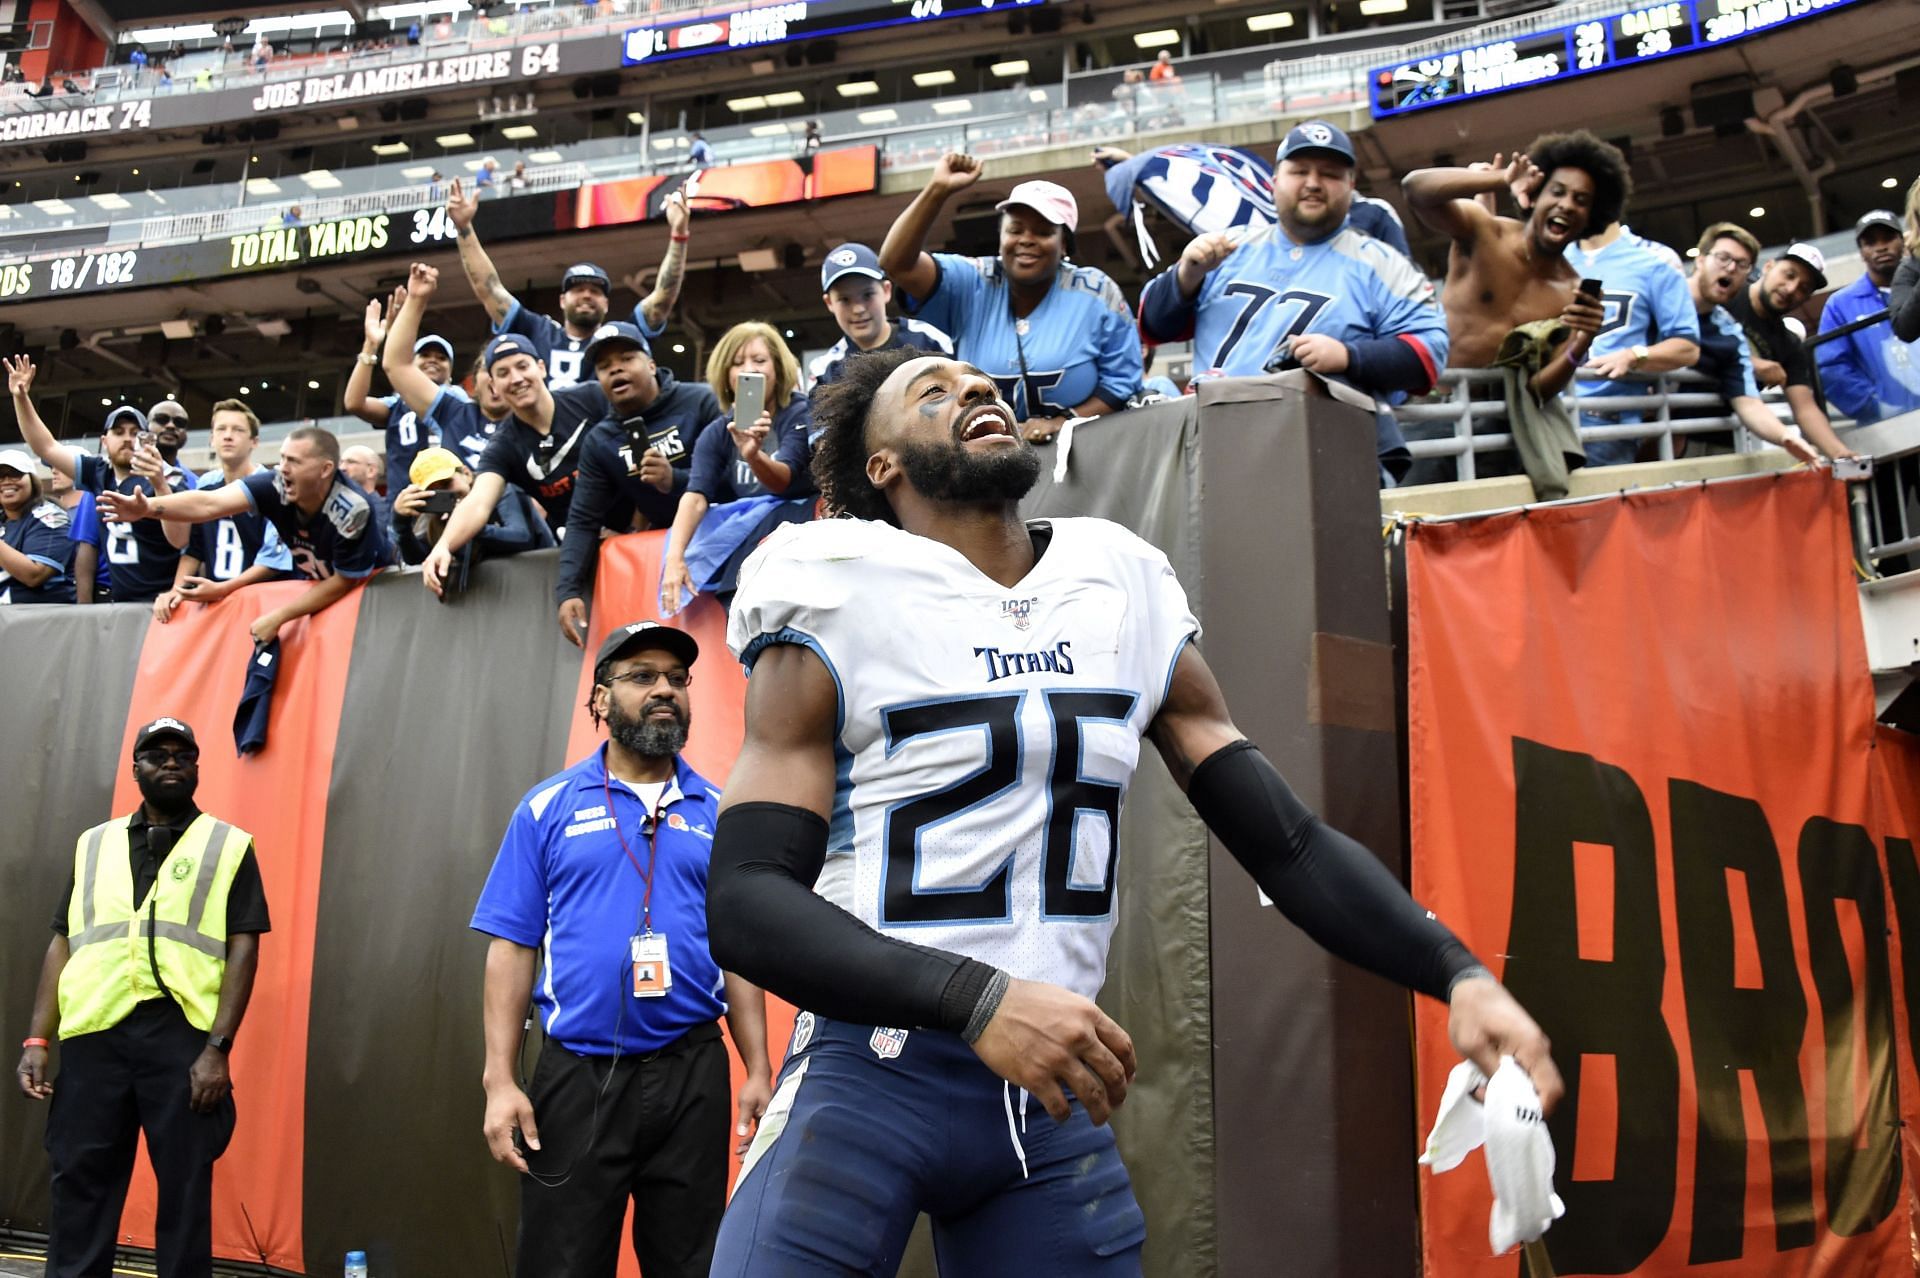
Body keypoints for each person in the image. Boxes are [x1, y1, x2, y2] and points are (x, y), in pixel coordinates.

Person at [700, 348, 1560, 1274]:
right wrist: (978, 996)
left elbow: (1289, 846)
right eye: (933, 393)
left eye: (980, 381)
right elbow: (746, 900)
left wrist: (1457, 974)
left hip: (1048, 1097)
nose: (977, 391)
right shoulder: (835, 582)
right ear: (883, 467)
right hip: (872, 1072)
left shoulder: (1115, 582)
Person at [471, 621, 772, 1278]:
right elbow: (511, 948)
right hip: (578, 1077)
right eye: (642, 677)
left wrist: (757, 1067)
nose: (664, 690)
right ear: (600, 699)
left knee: (690, 1263)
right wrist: (500, 1080)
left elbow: (739, 950)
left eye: (676, 678)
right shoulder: (546, 807)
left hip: (692, 1074)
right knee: (562, 1264)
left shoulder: (719, 811)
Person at [17, 717, 269, 1278]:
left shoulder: (228, 845)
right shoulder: (93, 844)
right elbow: (63, 940)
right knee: (80, 1181)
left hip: (180, 1039)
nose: (171, 762)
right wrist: (39, 1036)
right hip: (94, 1036)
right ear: (136, 770)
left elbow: (244, 949)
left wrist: (218, 1048)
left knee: (184, 1187)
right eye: (157, 755)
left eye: (183, 754)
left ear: (198, 768)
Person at [1137, 121, 1447, 482]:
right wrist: (1185, 276)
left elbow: (1428, 353)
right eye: (1299, 171)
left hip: (1320, 455)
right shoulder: (1229, 246)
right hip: (1210, 444)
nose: (1313, 183)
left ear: (1351, 185)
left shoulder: (1383, 263)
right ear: (1275, 182)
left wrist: (1350, 356)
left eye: (1330, 174)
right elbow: (1152, 327)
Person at [879, 155, 1141, 443]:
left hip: (1082, 453)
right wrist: (937, 190)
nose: (1026, 239)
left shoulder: (1096, 291)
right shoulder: (973, 279)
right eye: (1015, 230)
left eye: (1043, 232)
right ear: (1001, 237)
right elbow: (896, 263)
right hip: (988, 456)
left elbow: (1121, 382)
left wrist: (1065, 421)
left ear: (1064, 242)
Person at [390, 265, 608, 594]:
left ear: (541, 368)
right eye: (502, 372)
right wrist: (444, 545)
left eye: (522, 366)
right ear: (488, 382)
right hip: (578, 548)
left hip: (627, 533)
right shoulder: (495, 439)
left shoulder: (589, 397)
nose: (516, 378)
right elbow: (478, 502)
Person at [100, 426, 394, 643]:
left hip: (372, 600)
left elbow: (343, 581)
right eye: (282, 458)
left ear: (325, 469)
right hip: (314, 587)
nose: (283, 468)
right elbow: (209, 503)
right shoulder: (276, 484)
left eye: (294, 461)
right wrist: (148, 507)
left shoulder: (353, 510)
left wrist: (279, 616)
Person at [556, 321, 721, 645]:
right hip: (664, 560)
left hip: (724, 536)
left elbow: (736, 478)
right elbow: (583, 520)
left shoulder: (700, 401)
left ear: (651, 364)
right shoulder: (601, 440)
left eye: (626, 359)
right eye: (604, 367)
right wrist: (567, 590)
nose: (616, 370)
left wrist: (675, 480)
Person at [448, 180, 691, 388]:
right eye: (578, 290)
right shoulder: (536, 331)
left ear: (606, 304)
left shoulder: (619, 338)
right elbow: (489, 289)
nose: (586, 295)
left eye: (595, 291)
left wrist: (679, 234)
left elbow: (663, 298)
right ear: (562, 300)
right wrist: (463, 228)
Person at [659, 323, 814, 613]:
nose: (749, 369)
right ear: (725, 375)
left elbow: (784, 480)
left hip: (800, 532)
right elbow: (695, 495)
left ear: (778, 368)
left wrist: (753, 455)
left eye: (759, 360)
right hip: (755, 542)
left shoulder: (800, 412)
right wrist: (674, 558)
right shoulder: (717, 432)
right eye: (737, 362)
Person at [10, 360, 190, 604]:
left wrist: (158, 483)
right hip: (119, 602)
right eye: (119, 432)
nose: (127, 439)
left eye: (135, 432)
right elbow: (46, 446)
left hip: (163, 603)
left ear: (148, 440)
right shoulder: (99, 472)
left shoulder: (169, 477)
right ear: (105, 441)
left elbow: (180, 539)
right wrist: (21, 398)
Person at [1677, 223, 1820, 463]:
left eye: (1741, 264)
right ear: (1700, 260)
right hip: (1632, 425)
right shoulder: (1661, 293)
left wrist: (1785, 436)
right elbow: (1678, 349)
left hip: (1718, 439)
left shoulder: (1727, 331)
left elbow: (1749, 402)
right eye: (1723, 258)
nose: (1731, 268)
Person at [1563, 219, 1701, 466]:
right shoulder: (1553, 256)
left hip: (1607, 422)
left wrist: (1634, 355)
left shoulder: (1656, 258)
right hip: (1543, 416)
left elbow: (1687, 347)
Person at [153, 399, 294, 624]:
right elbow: (193, 548)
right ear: (211, 438)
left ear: (254, 442)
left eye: (238, 430)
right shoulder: (206, 484)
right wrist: (176, 590)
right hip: (218, 604)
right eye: (221, 429)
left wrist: (223, 588)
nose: (228, 436)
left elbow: (272, 562)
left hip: (262, 605)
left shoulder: (273, 487)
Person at [1726, 243, 1855, 460]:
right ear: (1768, 266)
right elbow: (1691, 344)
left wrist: (1840, 454)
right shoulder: (1727, 294)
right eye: (1789, 274)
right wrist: (1753, 364)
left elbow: (1805, 408)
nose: (1792, 288)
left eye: (1804, 288)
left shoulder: (1789, 345)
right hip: (1680, 423)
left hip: (1737, 438)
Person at [346, 287, 470, 500]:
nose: (433, 360)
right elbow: (354, 403)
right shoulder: (397, 405)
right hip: (404, 501)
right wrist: (370, 346)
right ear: (410, 365)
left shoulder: (459, 401)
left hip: (451, 499)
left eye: (441, 357)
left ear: (450, 374)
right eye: (425, 355)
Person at [1818, 208, 1920, 424]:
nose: (1881, 246)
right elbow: (1831, 368)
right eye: (1871, 242)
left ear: (1903, 241)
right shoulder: (1840, 305)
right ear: (1862, 252)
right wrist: (1876, 407)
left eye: (1888, 238)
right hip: (1888, 432)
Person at [808, 243, 954, 389]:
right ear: (829, 303)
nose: (858, 309)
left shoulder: (928, 339)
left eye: (867, 295)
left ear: (886, 290)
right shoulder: (825, 371)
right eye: (844, 299)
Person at [391, 446, 552, 567]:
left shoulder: (498, 490)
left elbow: (522, 538)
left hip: (535, 581)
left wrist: (469, 526)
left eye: (447, 483)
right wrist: (400, 521)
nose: (445, 493)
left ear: (466, 473)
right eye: (434, 491)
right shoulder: (437, 515)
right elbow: (416, 558)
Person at [0, 448, 75, 604]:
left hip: (42, 620)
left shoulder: (51, 517)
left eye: (15, 474)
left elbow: (35, 575)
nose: (6, 481)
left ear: (32, 479)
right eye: (0, 476)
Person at [146, 399, 198, 488]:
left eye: (179, 422)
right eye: (162, 419)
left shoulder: (195, 483)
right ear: (147, 426)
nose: (171, 426)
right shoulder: (125, 472)